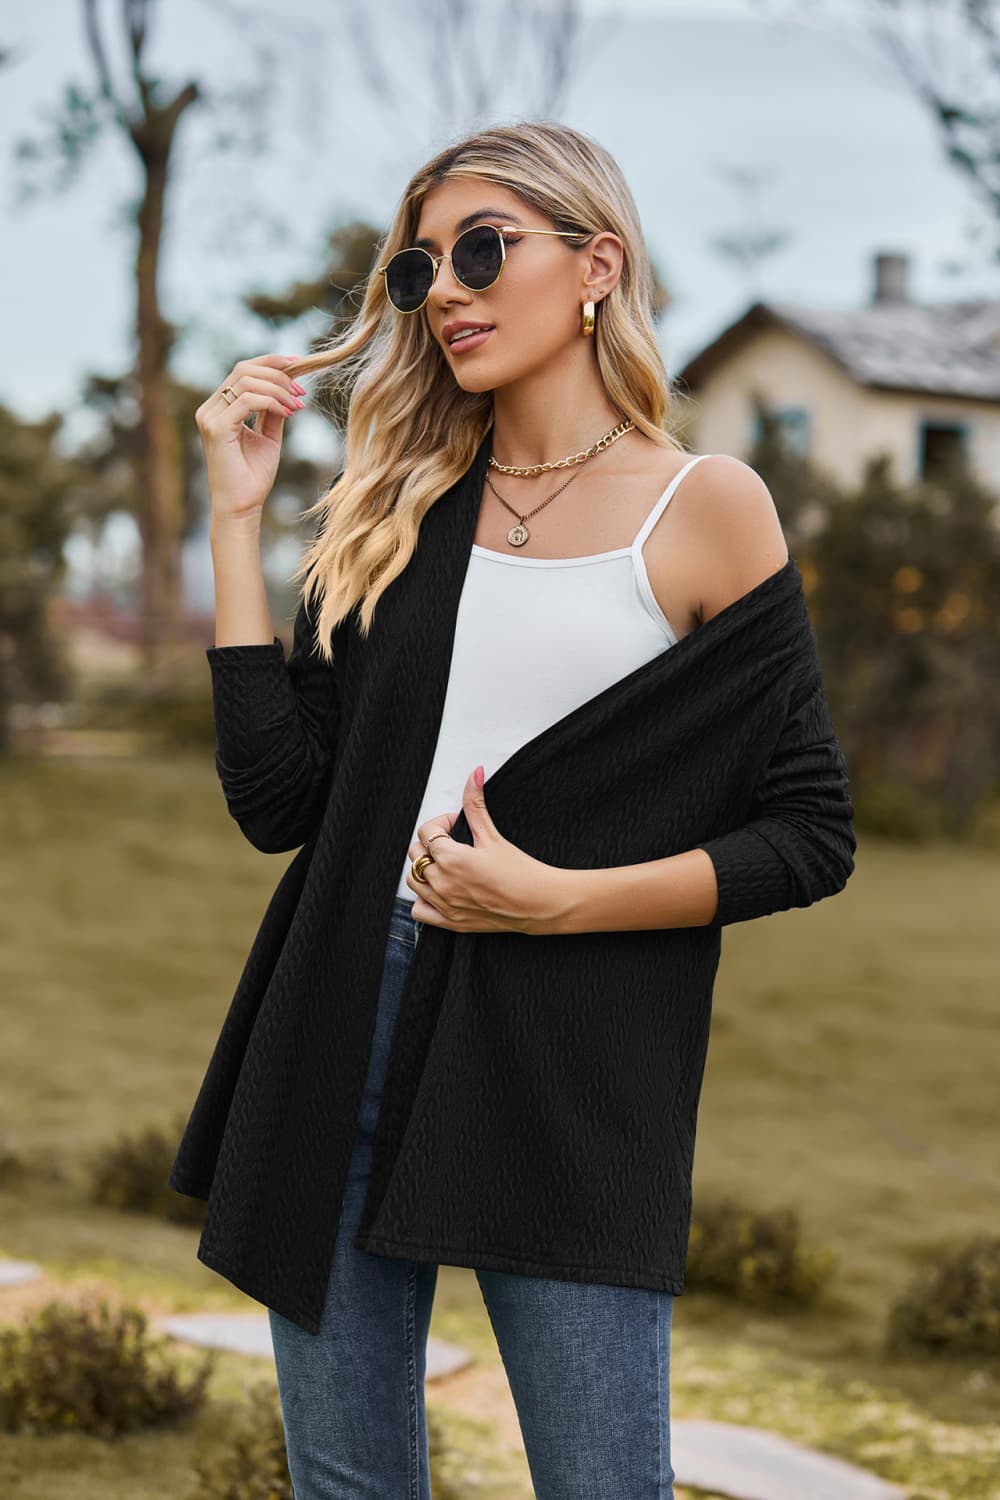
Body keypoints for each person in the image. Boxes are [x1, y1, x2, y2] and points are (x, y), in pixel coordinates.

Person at [190, 119, 851, 1500]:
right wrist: (236, 520)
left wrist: (563, 903)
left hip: (570, 1048)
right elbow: (278, 801)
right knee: (348, 1488)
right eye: (420, 267)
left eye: (483, 250)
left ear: (596, 264)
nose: (446, 290)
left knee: (602, 1483)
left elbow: (807, 831)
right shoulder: (400, 503)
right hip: (344, 1009)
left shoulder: (705, 508)